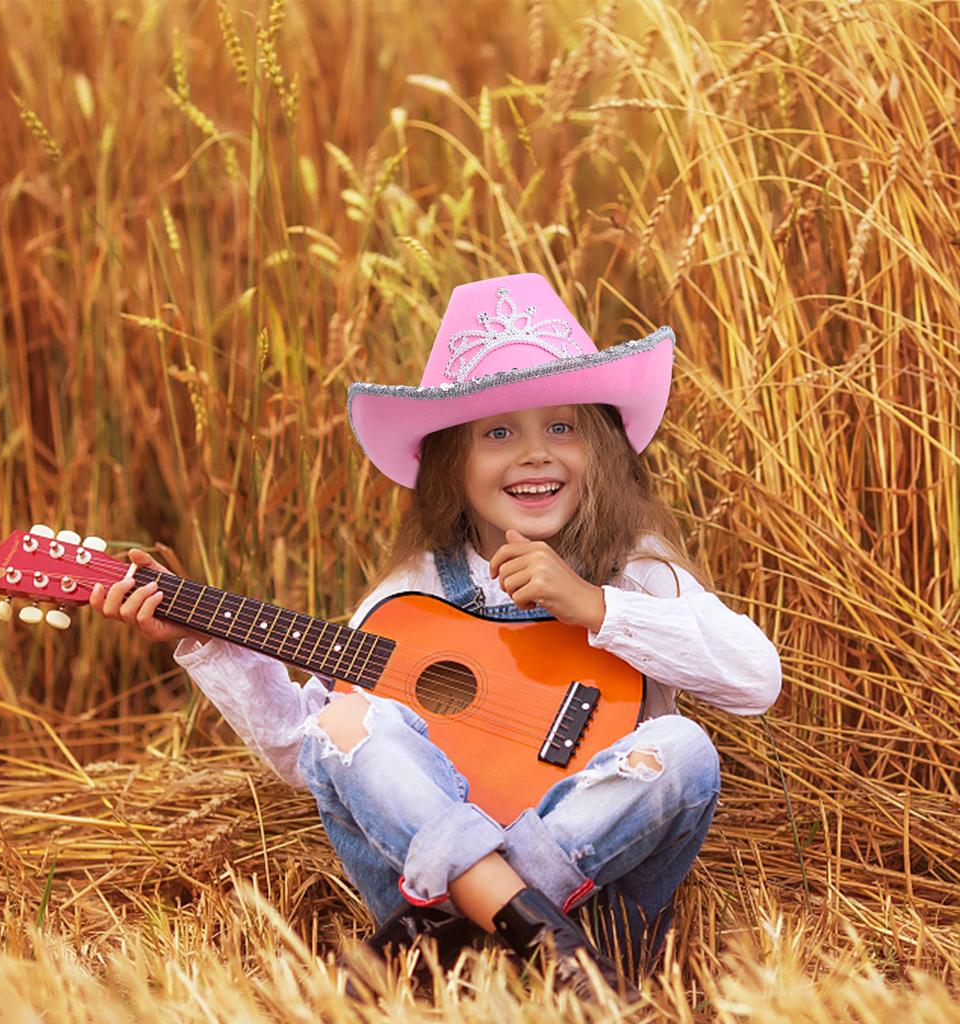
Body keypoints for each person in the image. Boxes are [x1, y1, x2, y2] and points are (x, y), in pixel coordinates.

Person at [90, 273, 782, 1000]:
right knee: (349, 718)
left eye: (561, 426)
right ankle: (546, 950)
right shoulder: (410, 593)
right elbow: (308, 751)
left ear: (601, 446)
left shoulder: (634, 566)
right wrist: (202, 638)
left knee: (684, 750)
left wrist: (594, 605)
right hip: (576, 961)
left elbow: (755, 679)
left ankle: (453, 938)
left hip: (589, 911)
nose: (535, 452)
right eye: (498, 433)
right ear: (453, 462)